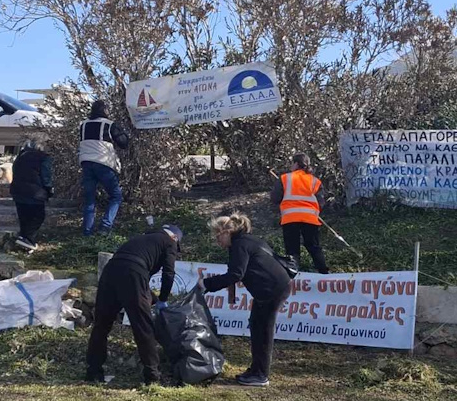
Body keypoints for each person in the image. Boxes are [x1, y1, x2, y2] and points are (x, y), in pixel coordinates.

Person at [198, 212, 291, 387]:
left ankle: (261, 375)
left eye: (218, 236)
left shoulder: (240, 245)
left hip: (273, 289)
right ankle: (256, 369)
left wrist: (206, 284)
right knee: (256, 325)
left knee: (263, 331)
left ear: (227, 232)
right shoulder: (245, 241)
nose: (217, 242)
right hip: (271, 288)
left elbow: (235, 274)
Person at [86, 224, 182, 385]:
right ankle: (152, 376)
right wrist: (163, 299)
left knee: (101, 325)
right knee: (143, 327)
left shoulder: (142, 239)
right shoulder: (169, 241)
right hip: (133, 273)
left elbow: (135, 275)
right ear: (175, 237)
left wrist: (153, 299)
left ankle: (93, 372)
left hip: (110, 271)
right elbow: (168, 273)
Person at [270, 152, 329, 274]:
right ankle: (324, 273)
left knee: (292, 249)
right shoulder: (315, 181)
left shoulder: (284, 178)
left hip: (290, 218)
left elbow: (275, 198)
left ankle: (293, 274)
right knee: (314, 246)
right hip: (310, 218)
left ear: (296, 164)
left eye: (292, 163)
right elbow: (321, 201)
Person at [79, 99, 130, 236]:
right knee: (116, 196)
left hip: (86, 163)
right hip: (103, 163)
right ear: (105, 110)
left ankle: (87, 232)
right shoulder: (108, 124)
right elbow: (123, 143)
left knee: (90, 200)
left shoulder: (83, 125)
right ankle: (105, 226)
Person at [9, 137, 54, 252]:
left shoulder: (20, 157)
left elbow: (14, 171)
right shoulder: (43, 158)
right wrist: (49, 189)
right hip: (35, 193)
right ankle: (28, 239)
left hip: (18, 191)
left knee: (24, 217)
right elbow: (46, 176)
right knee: (38, 217)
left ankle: (24, 239)